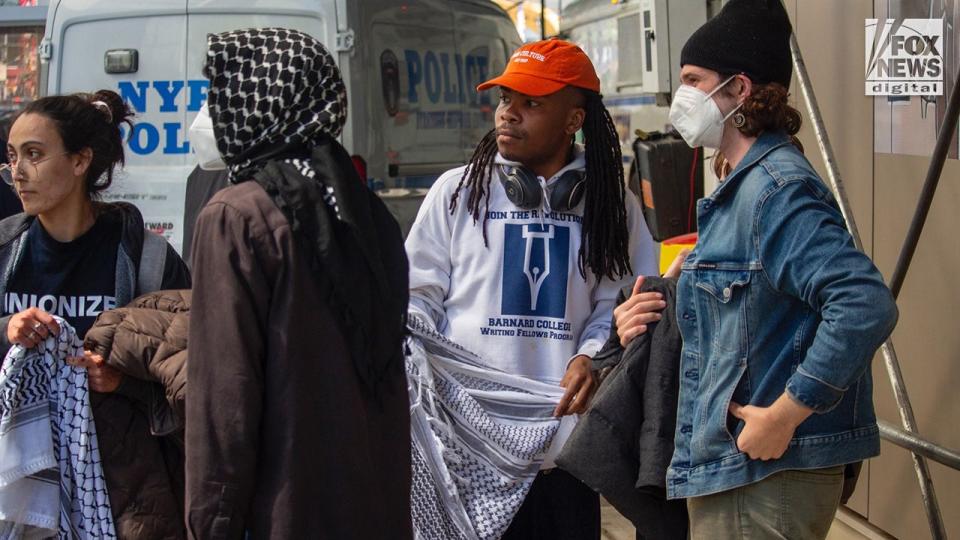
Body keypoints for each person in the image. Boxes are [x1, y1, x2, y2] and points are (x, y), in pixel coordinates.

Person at [616, 1, 898, 538]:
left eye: (694, 80)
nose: (684, 96)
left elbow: (864, 302)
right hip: (737, 469)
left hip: (766, 473)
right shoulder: (741, 187)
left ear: (739, 90)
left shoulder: (776, 190)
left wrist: (787, 414)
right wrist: (653, 307)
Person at [405, 38, 657, 540]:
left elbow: (624, 302)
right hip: (467, 448)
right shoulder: (458, 191)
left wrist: (592, 355)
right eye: (504, 100)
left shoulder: (612, 205)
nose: (508, 114)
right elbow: (416, 294)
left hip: (563, 452)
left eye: (531, 103)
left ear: (573, 120)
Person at [185, 28, 412, 539]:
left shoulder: (235, 215)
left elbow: (224, 401)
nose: (207, 112)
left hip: (282, 512)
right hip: (369, 507)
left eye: (214, 94)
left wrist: (212, 523)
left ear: (263, 98)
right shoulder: (362, 208)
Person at [0, 90, 191, 538]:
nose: (18, 173)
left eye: (34, 154)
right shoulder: (6, 250)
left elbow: (195, 373)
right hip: (14, 484)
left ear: (81, 160)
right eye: (12, 157)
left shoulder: (149, 260)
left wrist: (121, 382)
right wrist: (6, 330)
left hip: (120, 492)